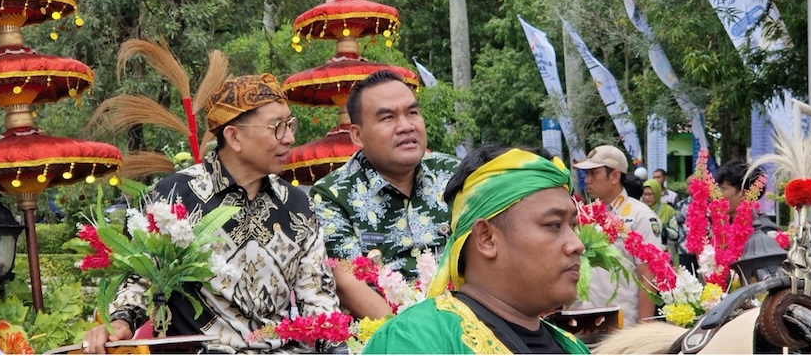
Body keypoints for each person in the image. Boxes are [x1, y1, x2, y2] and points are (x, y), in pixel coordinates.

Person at [82, 74, 340, 354]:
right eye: (277, 127)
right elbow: (137, 277)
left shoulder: (298, 205)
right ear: (234, 136)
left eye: (290, 125)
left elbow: (318, 299)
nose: (289, 138)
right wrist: (120, 321)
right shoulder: (172, 197)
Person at [363, 146, 590, 354]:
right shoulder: (414, 340)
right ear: (486, 238)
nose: (577, 245)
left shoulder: (574, 348)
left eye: (572, 226)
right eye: (554, 225)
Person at [310, 70, 460, 319]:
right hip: (388, 331)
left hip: (466, 323)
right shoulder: (331, 196)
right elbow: (348, 281)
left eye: (412, 113)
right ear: (357, 135)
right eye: (388, 118)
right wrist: (418, 336)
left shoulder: (454, 174)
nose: (406, 126)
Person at [572, 145, 662, 324]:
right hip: (581, 322)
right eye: (586, 174)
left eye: (593, 173)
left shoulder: (640, 216)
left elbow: (648, 277)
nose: (587, 180)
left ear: (614, 176)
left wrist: (644, 331)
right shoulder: (584, 215)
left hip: (621, 325)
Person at [641, 179, 679, 253]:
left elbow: (675, 234)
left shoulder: (668, 210)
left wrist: (662, 228)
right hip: (642, 251)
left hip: (662, 251)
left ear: (657, 194)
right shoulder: (638, 210)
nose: (647, 197)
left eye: (650, 194)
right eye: (644, 194)